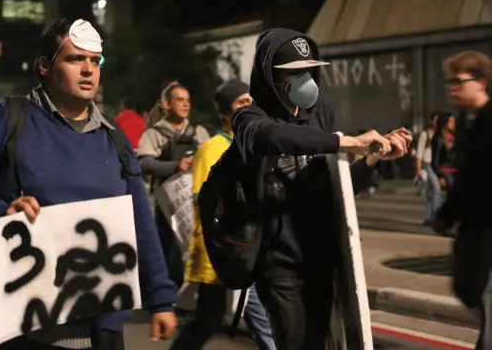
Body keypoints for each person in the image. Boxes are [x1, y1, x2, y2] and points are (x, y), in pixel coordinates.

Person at [0, 18, 177, 350]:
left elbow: (139, 222)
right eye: (76, 59)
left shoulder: (114, 139)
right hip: (21, 329)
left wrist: (161, 298)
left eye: (95, 60)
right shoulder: (4, 119)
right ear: (45, 65)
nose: (88, 69)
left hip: (101, 329)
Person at [206, 29, 412, 349]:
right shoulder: (250, 118)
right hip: (279, 267)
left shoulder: (321, 116)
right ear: (270, 78)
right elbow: (271, 138)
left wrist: (371, 159)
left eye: (309, 70)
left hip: (320, 259)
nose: (305, 80)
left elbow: (333, 188)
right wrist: (346, 142)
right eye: (293, 74)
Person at [170, 79, 275, 350]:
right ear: (226, 113)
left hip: (251, 248)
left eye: (251, 101)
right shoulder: (211, 149)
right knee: (232, 319)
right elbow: (203, 206)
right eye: (242, 102)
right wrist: (213, 253)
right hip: (228, 251)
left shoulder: (257, 143)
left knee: (208, 320)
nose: (250, 106)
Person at [430, 50, 492, 350]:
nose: (452, 87)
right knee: (471, 292)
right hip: (475, 232)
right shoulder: (466, 123)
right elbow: (465, 182)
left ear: (480, 82)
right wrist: (446, 215)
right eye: (450, 81)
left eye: (459, 80)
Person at [137, 83, 211, 288]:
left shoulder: (199, 133)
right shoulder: (154, 134)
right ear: (167, 104)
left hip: (194, 202)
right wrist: (176, 166)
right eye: (180, 100)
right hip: (167, 205)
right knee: (168, 251)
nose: (186, 105)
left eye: (188, 100)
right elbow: (144, 164)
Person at [415, 112, 440, 224]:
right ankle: (435, 216)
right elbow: (419, 152)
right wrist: (418, 169)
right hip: (426, 164)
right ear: (431, 121)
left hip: (435, 165)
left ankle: (427, 217)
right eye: (435, 120)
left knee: (431, 192)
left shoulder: (438, 134)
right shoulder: (425, 134)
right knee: (436, 189)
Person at [430, 113, 457, 191]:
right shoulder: (439, 139)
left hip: (456, 171)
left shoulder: (455, 137)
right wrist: (440, 176)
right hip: (446, 172)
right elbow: (435, 159)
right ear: (445, 123)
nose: (453, 124)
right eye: (451, 122)